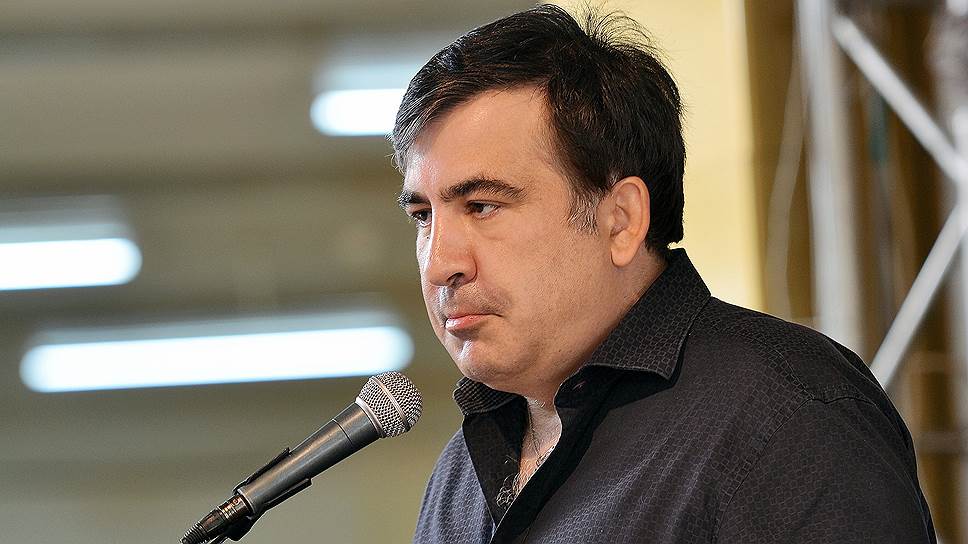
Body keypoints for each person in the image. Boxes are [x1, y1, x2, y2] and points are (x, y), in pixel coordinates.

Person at [391, 5, 936, 543]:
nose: (440, 264)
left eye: (483, 206)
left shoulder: (788, 418)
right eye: (422, 216)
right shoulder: (461, 473)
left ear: (621, 220)